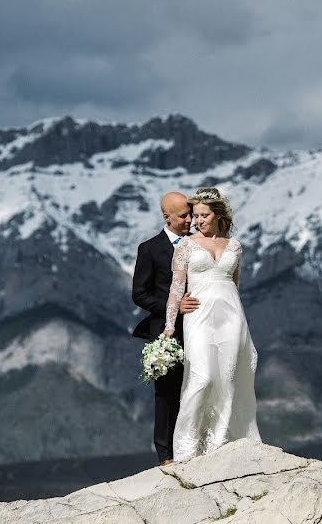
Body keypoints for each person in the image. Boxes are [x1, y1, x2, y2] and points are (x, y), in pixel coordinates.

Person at [163, 187, 261, 461]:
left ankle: (219, 446)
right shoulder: (186, 246)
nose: (197, 221)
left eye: (203, 215)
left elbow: (234, 284)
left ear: (217, 215)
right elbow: (175, 288)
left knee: (228, 379)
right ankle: (187, 451)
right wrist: (170, 326)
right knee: (202, 377)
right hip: (198, 317)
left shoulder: (234, 247)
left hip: (231, 318)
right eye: (195, 216)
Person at [131, 191, 200, 466]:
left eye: (191, 215)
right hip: (165, 332)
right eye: (184, 215)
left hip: (198, 328)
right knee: (166, 394)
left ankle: (191, 446)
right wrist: (172, 307)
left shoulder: (198, 245)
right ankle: (165, 455)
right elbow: (139, 294)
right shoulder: (149, 249)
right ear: (166, 216)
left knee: (194, 388)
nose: (189, 220)